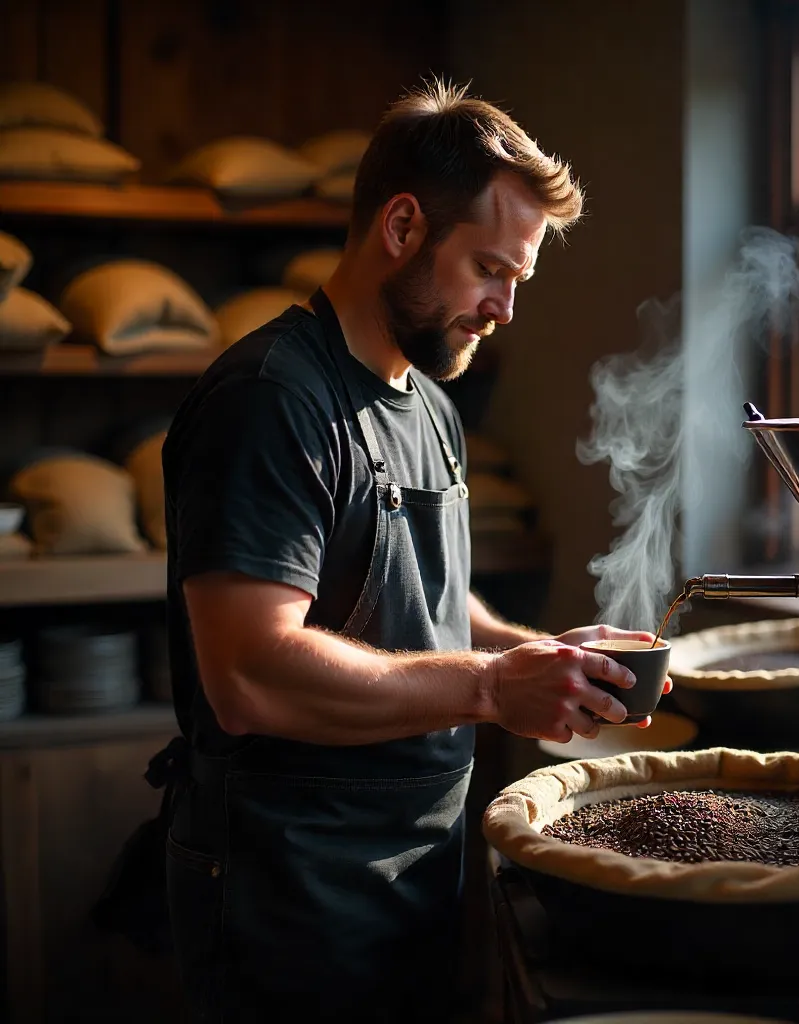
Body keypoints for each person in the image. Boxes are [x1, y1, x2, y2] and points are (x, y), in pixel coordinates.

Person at [159, 80, 667, 1023]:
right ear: (401, 226)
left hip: (416, 868)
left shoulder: (430, 401)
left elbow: (429, 601)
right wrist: (486, 687)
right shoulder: (272, 401)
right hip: (289, 887)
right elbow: (250, 673)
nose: (505, 308)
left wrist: (541, 659)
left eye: (518, 279)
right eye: (488, 269)